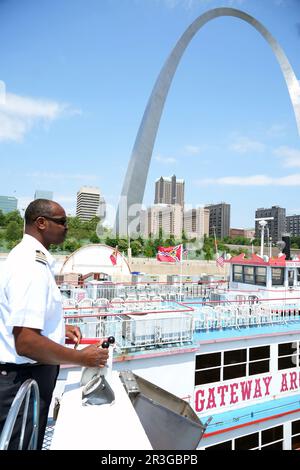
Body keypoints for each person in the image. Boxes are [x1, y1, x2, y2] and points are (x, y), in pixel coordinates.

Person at [0, 199, 109, 450]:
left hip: (25, 376)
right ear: (41, 223)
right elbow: (26, 341)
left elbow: (20, 321)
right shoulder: (31, 267)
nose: (66, 227)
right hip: (23, 380)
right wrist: (81, 358)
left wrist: (58, 331)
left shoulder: (28, 259)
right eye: (61, 222)